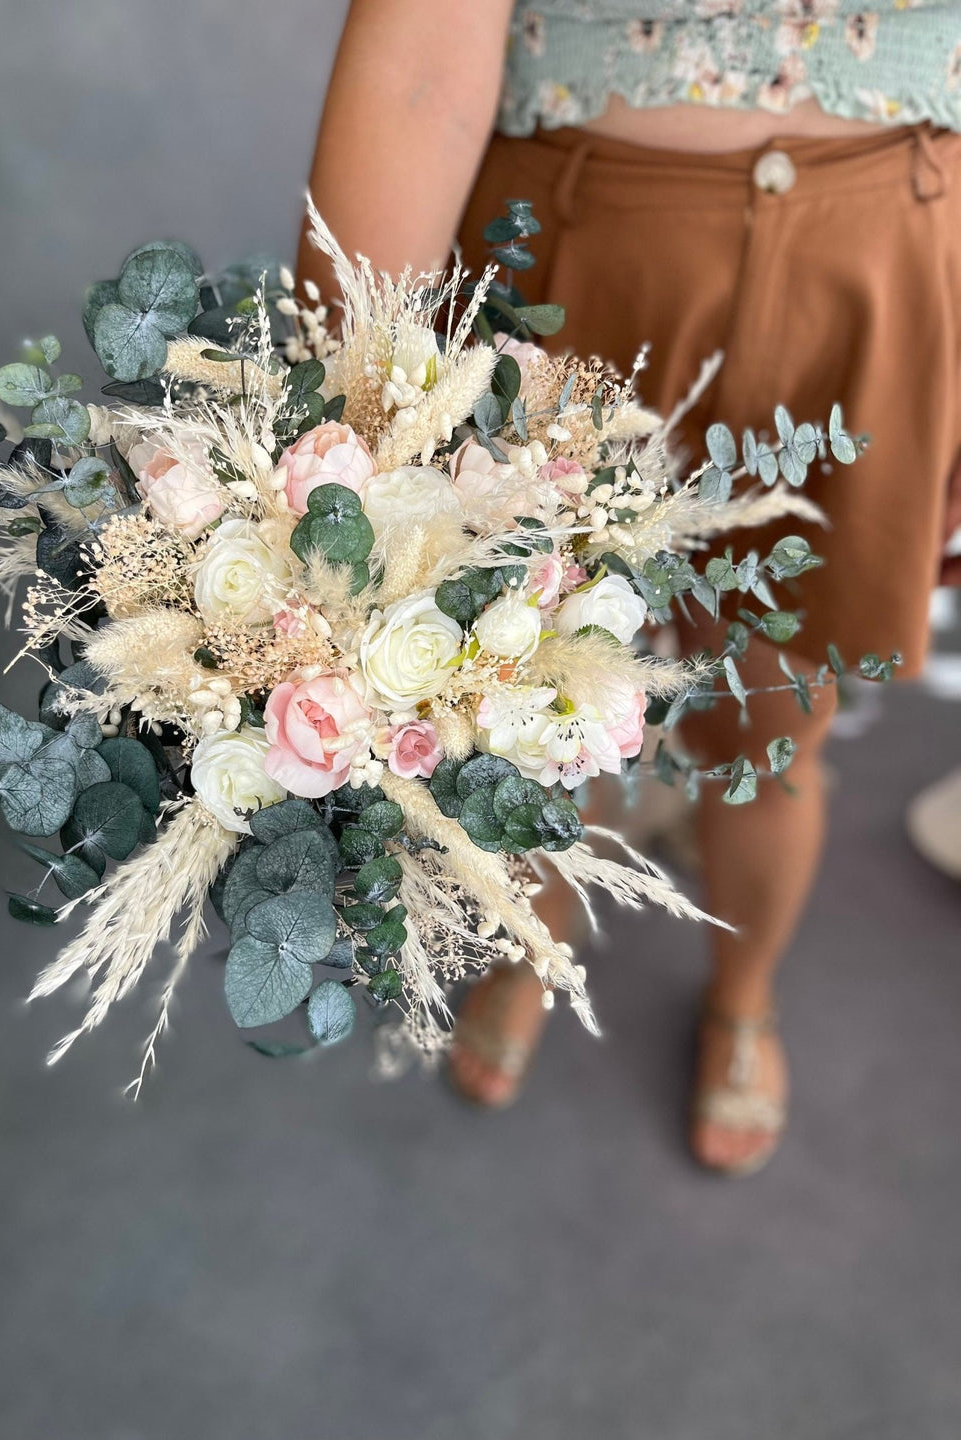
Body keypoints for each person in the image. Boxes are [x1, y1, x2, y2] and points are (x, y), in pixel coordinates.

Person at [301, 0, 961, 1175]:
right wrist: (346, 445)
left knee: (773, 722)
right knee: (520, 695)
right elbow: (419, 57)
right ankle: (534, 935)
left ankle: (742, 999)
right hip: (574, 254)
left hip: (881, 263)